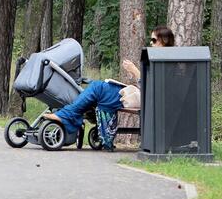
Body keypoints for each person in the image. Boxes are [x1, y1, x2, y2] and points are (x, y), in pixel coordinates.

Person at [43, 26, 176, 151]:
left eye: (154, 40)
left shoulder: (166, 61)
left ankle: (68, 116)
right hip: (141, 95)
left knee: (97, 87)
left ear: (163, 41)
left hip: (147, 98)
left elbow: (154, 87)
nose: (151, 43)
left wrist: (135, 71)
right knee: (98, 87)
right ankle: (69, 117)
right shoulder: (160, 59)